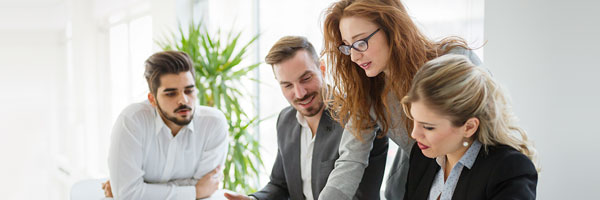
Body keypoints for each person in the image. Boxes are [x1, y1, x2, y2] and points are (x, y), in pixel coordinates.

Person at [318, 0, 482, 199]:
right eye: (347, 46)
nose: (354, 57)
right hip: (412, 188)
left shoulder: (455, 59)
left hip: (473, 178)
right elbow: (350, 161)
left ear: (392, 28)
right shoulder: (368, 93)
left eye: (361, 42)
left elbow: (495, 130)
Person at [224, 36, 388, 200]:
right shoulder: (285, 120)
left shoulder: (359, 117)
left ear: (322, 69)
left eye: (306, 79)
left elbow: (361, 195)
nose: (300, 93)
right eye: (287, 85)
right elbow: (279, 185)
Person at [402, 54, 539, 199]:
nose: (414, 134)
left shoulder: (509, 170)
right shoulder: (422, 156)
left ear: (469, 127)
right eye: (414, 120)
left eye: (428, 127)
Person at [103, 51, 229, 199]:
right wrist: (194, 191)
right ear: (152, 99)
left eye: (189, 91)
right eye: (171, 93)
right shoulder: (131, 121)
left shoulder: (213, 124)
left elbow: (207, 188)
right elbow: (129, 195)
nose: (184, 100)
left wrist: (140, 187)